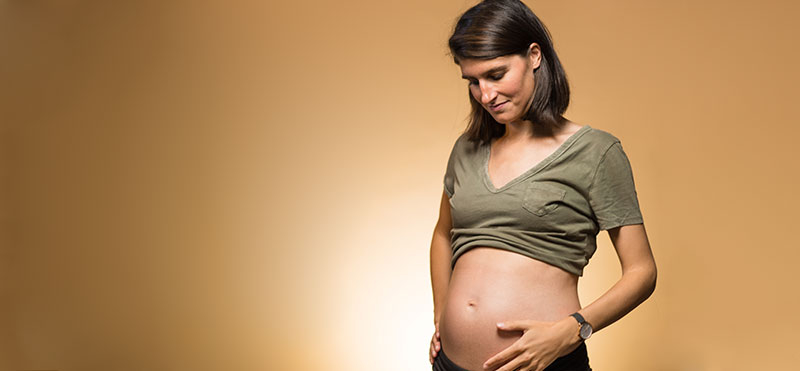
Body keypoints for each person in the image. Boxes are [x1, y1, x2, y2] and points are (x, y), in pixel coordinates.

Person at [428, 1, 657, 370]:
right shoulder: (467, 149)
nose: (485, 95)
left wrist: (574, 329)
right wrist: (443, 315)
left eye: (497, 74)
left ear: (534, 55)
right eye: (473, 81)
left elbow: (642, 272)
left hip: (543, 364)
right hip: (449, 364)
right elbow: (443, 235)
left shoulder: (595, 152)